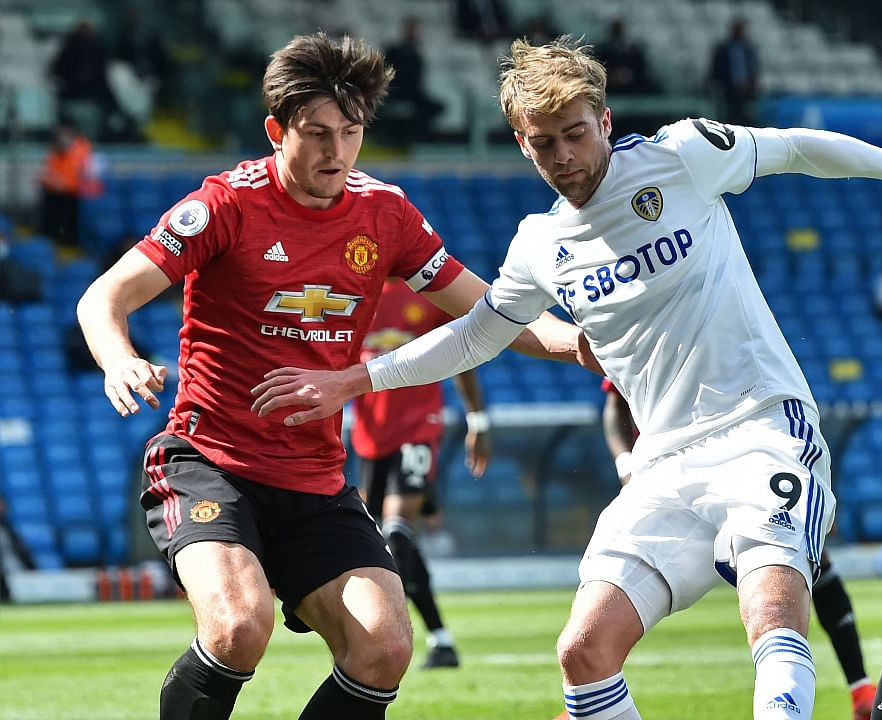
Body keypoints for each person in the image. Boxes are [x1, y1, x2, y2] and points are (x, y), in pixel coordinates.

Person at [248, 35, 882, 720]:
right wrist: (355, 381)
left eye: (576, 134)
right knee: (583, 651)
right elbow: (475, 336)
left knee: (770, 610)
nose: (564, 156)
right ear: (521, 145)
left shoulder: (683, 155)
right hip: (664, 462)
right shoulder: (539, 247)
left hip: (760, 424)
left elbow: (795, 146)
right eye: (543, 143)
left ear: (605, 122)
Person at [75, 32, 590, 720]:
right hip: (209, 461)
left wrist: (573, 342)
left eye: (349, 134)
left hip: (315, 479)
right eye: (316, 133)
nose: (335, 152)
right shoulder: (225, 206)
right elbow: (103, 297)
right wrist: (120, 359)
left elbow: (490, 310)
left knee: (383, 647)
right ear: (275, 130)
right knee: (238, 627)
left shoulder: (386, 214)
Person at [590, 380, 880, 720]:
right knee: (618, 584)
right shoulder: (645, 332)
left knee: (801, 559)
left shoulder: (733, 336)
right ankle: (595, 695)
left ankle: (860, 688)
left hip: (740, 461)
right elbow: (615, 399)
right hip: (664, 476)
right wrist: (626, 465)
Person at [352, 280, 493, 670]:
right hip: (370, 439)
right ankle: (441, 641)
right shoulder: (354, 293)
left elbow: (464, 352)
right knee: (377, 540)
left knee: (396, 533)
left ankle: (406, 635)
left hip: (417, 428)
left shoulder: (427, 295)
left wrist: (477, 420)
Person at [38, 121, 102, 249]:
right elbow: (47, 175)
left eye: (65, 135)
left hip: (79, 195)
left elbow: (80, 179)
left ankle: (71, 244)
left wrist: (62, 183)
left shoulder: (82, 149)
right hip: (58, 194)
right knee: (50, 200)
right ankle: (51, 242)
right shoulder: (56, 151)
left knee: (67, 204)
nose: (62, 139)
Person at [380, 17, 444, 145]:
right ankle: (399, 138)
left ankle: (419, 137)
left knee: (434, 107)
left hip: (413, 92)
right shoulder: (394, 50)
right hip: (395, 91)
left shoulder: (417, 53)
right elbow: (387, 74)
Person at [709, 18, 760, 126]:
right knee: (730, 117)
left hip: (746, 90)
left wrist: (752, 83)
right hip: (729, 89)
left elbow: (753, 68)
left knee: (746, 117)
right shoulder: (723, 48)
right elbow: (716, 69)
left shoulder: (748, 48)